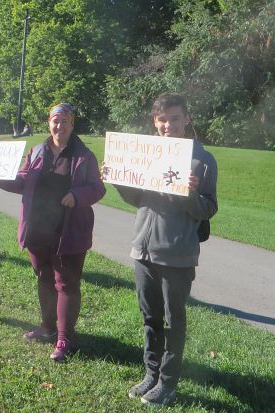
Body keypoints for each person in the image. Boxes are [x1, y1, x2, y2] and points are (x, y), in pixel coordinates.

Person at [110, 94, 218, 407]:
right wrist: (118, 177)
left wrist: (189, 193)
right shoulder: (149, 154)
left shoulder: (203, 159)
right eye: (162, 119)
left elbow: (208, 209)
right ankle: (150, 375)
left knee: (173, 322)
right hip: (143, 249)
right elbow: (137, 199)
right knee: (150, 319)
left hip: (177, 255)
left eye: (174, 118)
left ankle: (168, 384)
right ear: (154, 123)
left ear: (186, 119)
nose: (167, 125)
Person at [0, 103, 105, 361]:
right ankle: (47, 327)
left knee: (66, 283)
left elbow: (97, 188)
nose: (60, 126)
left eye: (65, 121)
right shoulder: (37, 151)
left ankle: (64, 338)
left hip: (69, 229)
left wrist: (76, 195)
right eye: (55, 121)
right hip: (38, 227)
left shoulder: (84, 156)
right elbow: (21, 181)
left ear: (72, 125)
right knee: (44, 278)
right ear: (49, 123)